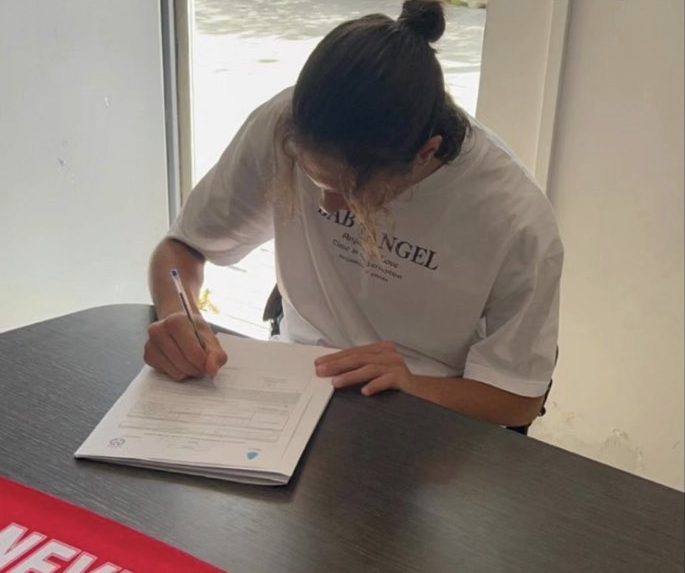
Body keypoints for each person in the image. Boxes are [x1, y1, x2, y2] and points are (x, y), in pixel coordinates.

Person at [144, 0, 563, 428]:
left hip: (425, 409)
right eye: (313, 179)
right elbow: (182, 248)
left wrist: (413, 385)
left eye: (349, 192)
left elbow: (519, 398)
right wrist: (180, 315)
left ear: (425, 154)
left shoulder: (513, 217)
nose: (325, 206)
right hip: (297, 377)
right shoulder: (283, 125)